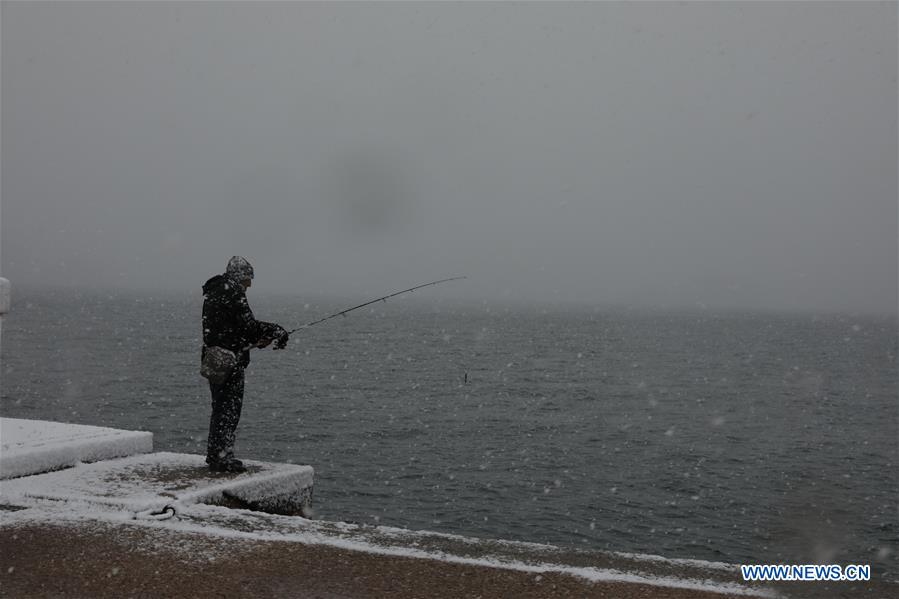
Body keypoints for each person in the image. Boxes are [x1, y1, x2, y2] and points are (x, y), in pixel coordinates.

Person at [201, 256, 289, 473]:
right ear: (240, 275)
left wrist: (250, 341)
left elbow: (227, 329)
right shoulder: (233, 292)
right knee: (229, 410)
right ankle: (222, 458)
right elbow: (248, 327)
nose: (250, 284)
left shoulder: (214, 290)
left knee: (220, 408)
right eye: (248, 278)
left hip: (214, 358)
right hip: (229, 360)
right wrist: (276, 330)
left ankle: (216, 455)